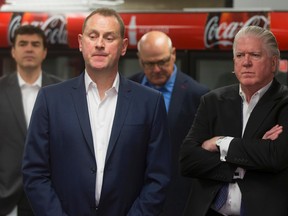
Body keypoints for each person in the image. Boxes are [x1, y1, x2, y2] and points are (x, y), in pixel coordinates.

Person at [22, 8, 171, 216]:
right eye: (93, 36)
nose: (100, 43)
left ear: (124, 46)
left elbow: (159, 177)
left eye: (109, 37)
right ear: (81, 43)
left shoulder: (150, 103)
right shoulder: (50, 99)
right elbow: (34, 173)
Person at [180, 25, 288, 216]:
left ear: (273, 63)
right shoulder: (212, 101)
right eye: (239, 55)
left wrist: (222, 143)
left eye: (254, 55)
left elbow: (276, 156)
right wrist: (248, 160)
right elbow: (188, 159)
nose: (246, 62)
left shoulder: (284, 102)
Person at [129, 30, 209, 216]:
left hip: (179, 199)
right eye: (149, 64)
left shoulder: (198, 95)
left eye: (163, 62)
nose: (156, 69)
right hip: (133, 199)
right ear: (140, 59)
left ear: (173, 54)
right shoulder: (126, 90)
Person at [0, 25, 62, 216]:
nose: (29, 49)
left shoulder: (63, 92)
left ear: (44, 52)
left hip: (52, 198)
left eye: (35, 44)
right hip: (6, 199)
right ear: (13, 51)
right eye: (23, 44)